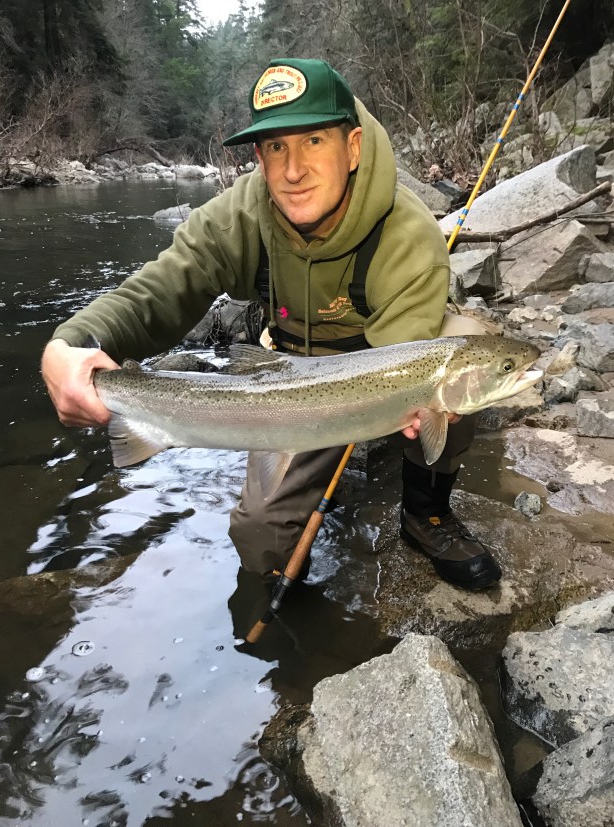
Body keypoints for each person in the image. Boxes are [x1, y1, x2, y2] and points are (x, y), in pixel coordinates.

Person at [41, 57, 501, 591]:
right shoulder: (238, 215)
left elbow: (402, 363)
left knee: (464, 353)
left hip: (378, 365)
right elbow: (159, 290)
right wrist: (71, 345)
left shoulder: (407, 234)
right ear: (258, 156)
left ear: (352, 147)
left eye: (312, 142)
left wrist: (417, 411)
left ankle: (426, 513)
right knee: (262, 546)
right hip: (282, 377)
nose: (293, 170)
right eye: (276, 147)